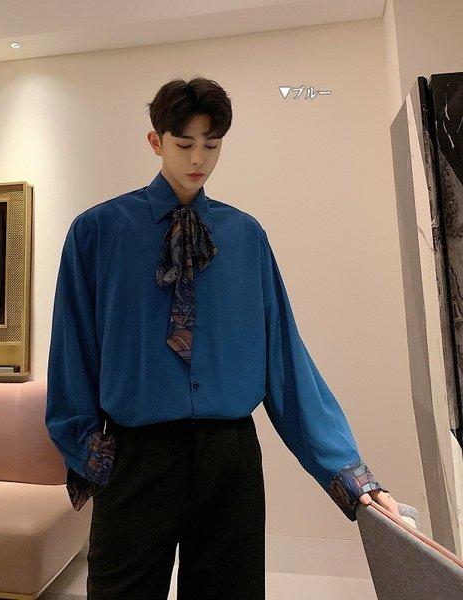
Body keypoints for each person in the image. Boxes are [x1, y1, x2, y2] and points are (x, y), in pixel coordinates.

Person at [45, 76, 399, 600]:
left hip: (229, 459)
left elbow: (284, 358)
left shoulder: (245, 236)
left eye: (211, 145)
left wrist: (350, 474)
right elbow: (72, 350)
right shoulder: (98, 232)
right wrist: (87, 451)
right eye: (184, 143)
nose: (198, 159)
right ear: (155, 141)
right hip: (137, 458)